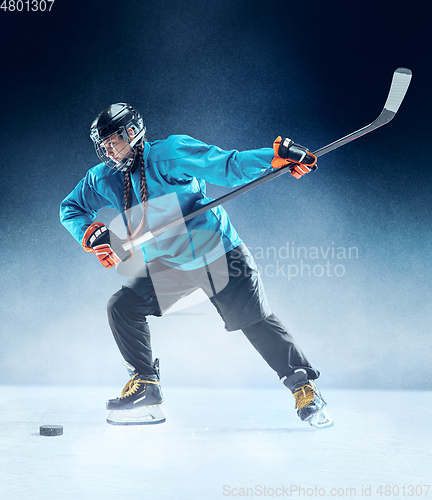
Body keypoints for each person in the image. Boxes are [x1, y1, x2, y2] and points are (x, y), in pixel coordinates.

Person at [59, 103, 333, 429]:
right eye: (103, 145)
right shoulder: (103, 178)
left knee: (254, 321)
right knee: (122, 306)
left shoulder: (169, 154)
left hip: (218, 254)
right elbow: (71, 208)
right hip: (171, 265)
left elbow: (226, 166)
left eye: (113, 140)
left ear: (132, 133)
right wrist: (92, 235)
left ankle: (304, 388)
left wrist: (274, 157)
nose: (108, 149)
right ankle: (146, 388)